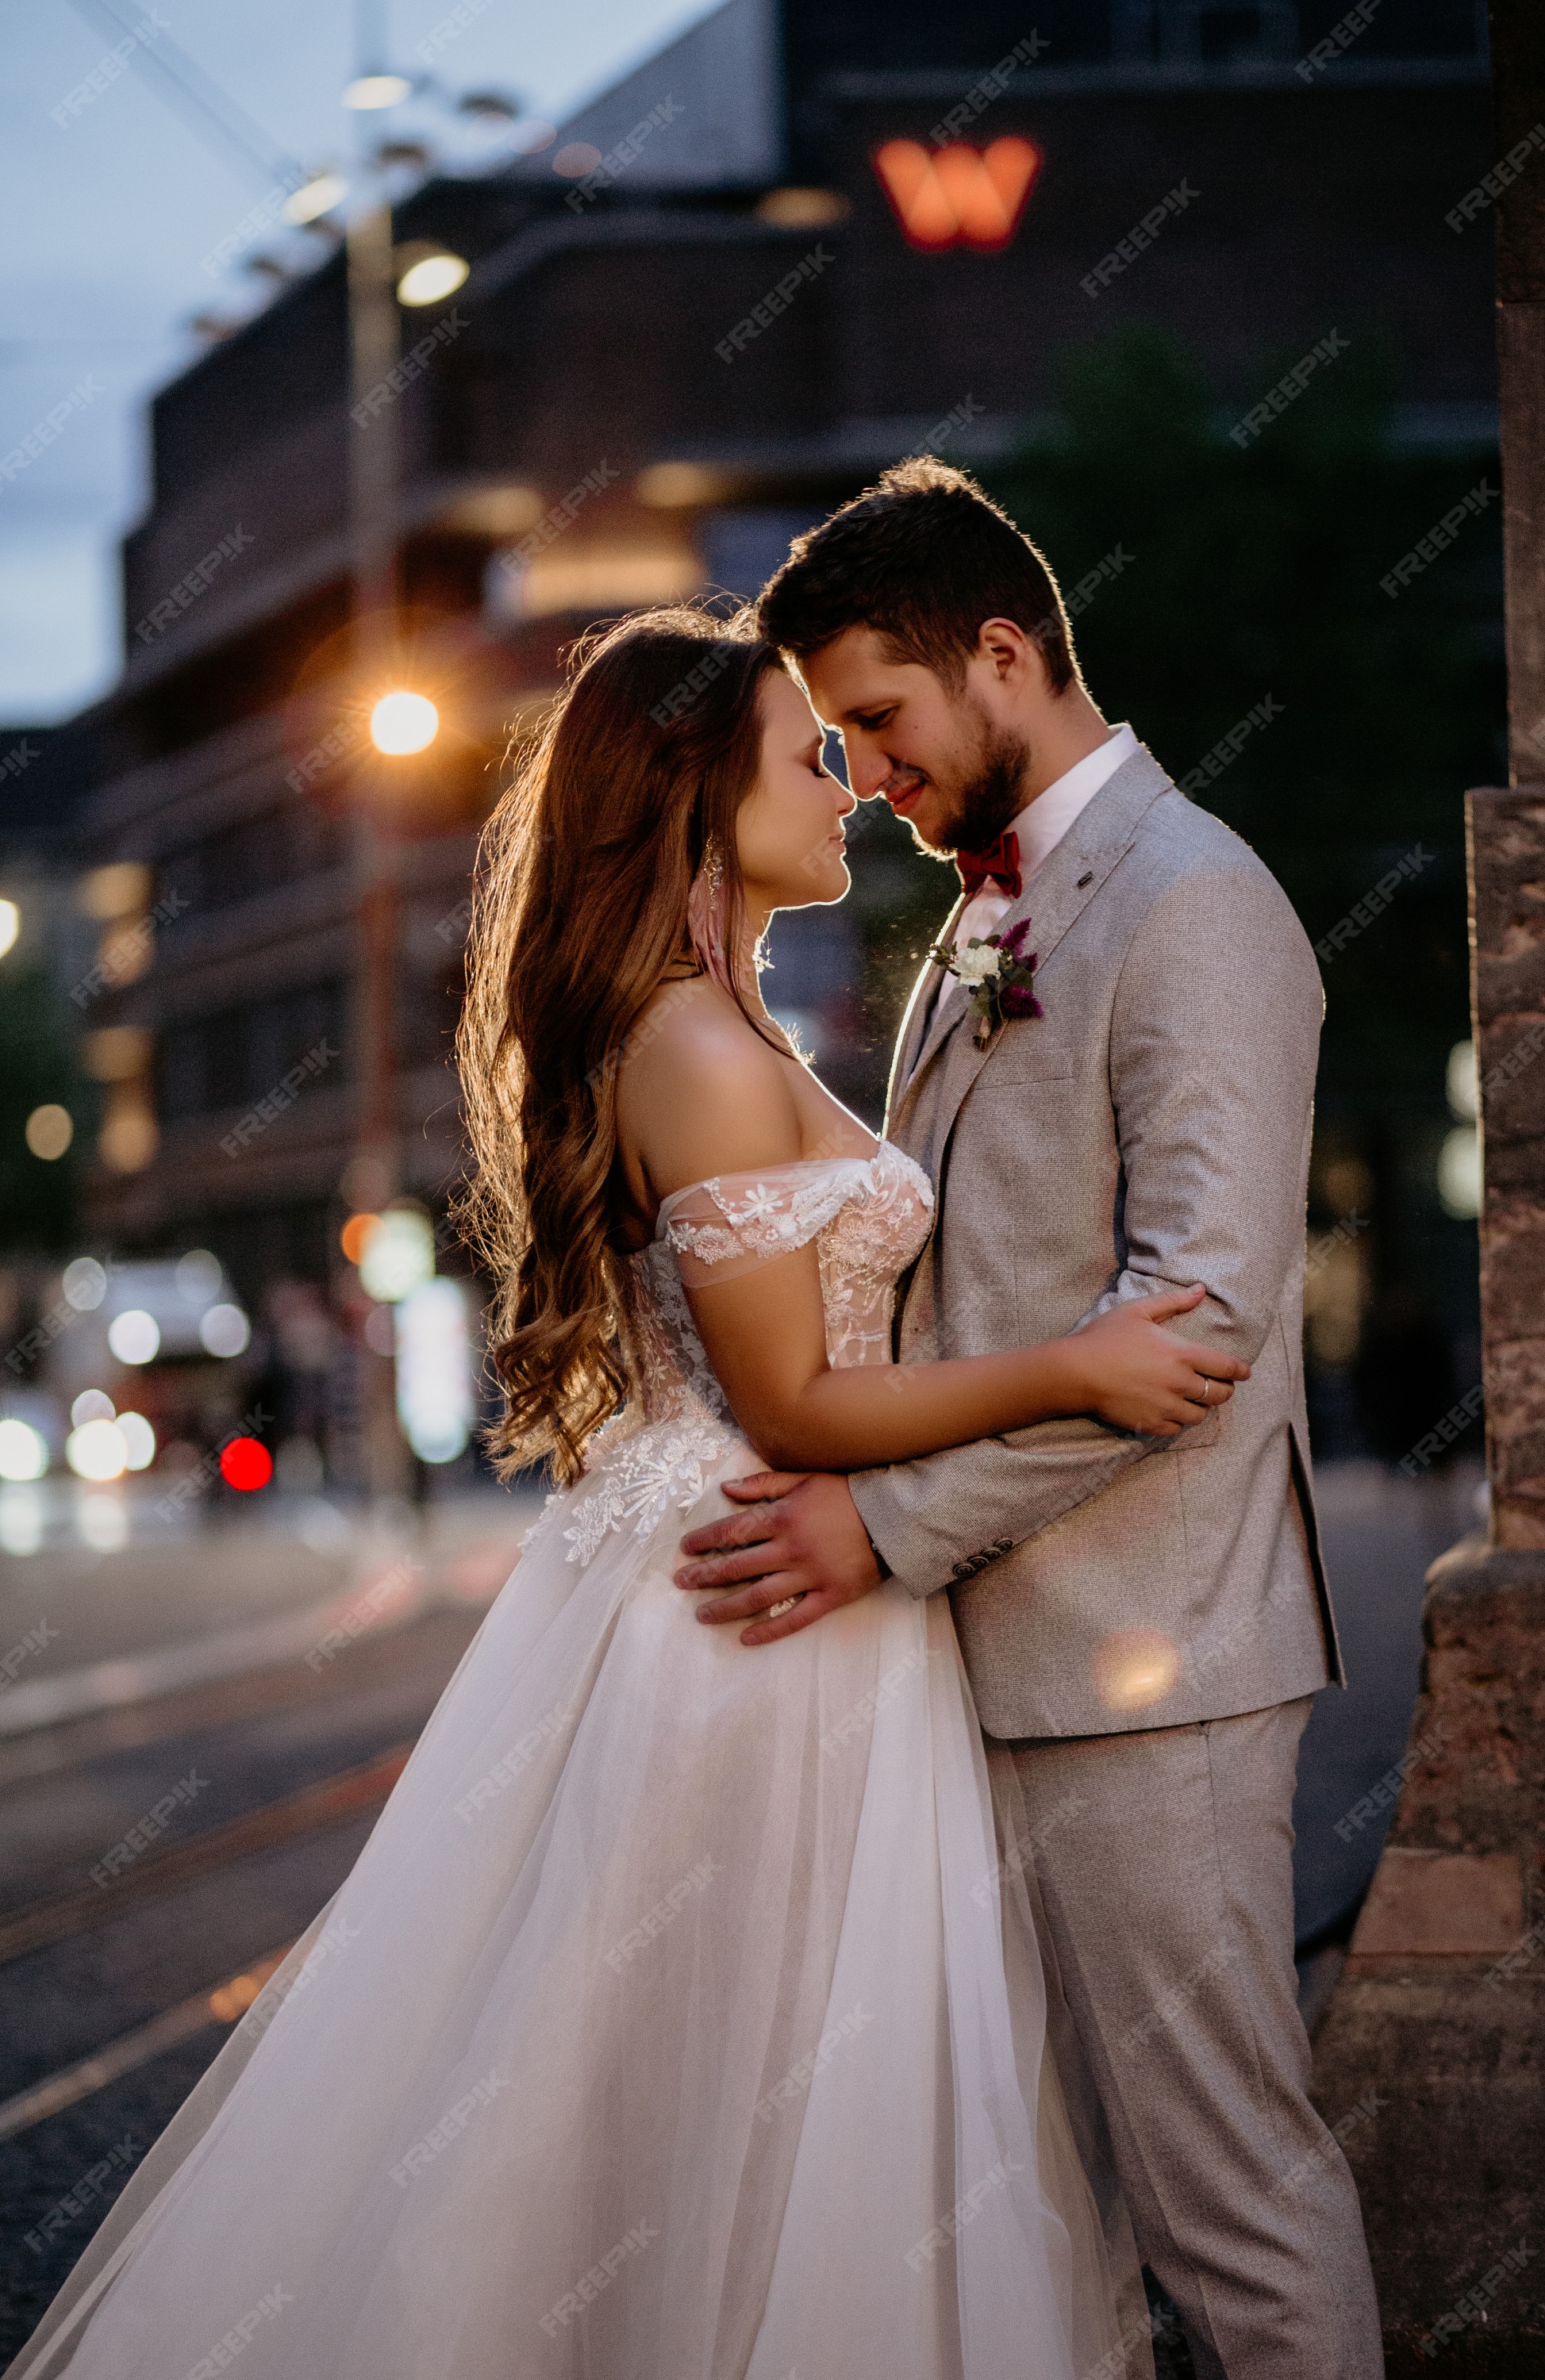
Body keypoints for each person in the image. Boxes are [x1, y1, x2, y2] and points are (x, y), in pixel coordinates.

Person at [10, 605, 1251, 2380]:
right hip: (747, 1618)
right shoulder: (690, 1050)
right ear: (691, 796)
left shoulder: (724, 1030)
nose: (843, 785)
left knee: (733, 2085)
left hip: (782, 1596)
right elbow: (794, 1400)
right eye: (805, 757)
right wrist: (1079, 1366)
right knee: (700, 2094)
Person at [676, 458, 1385, 2379]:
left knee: (1225, 2199)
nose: (872, 776)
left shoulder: (1193, 907)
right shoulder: (985, 916)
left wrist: (879, 1525)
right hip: (968, 1678)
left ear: (1003, 653)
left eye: (882, 725)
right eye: (838, 744)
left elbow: (1203, 1322)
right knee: (1047, 2208)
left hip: (1142, 1679)